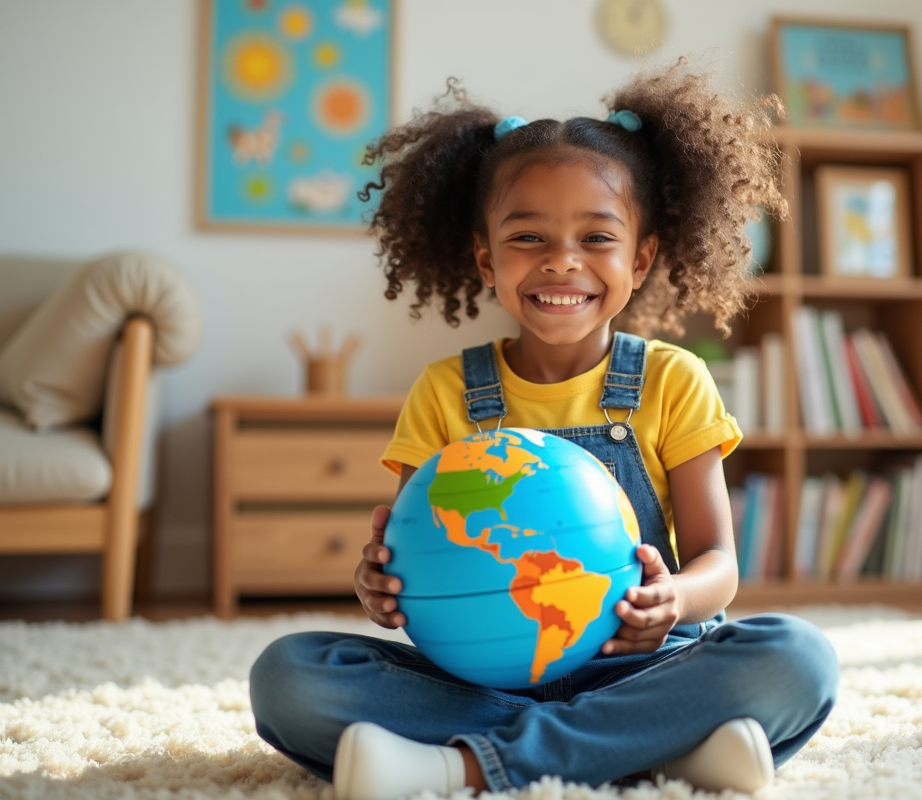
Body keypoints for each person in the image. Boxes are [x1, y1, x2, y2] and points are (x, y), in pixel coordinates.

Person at [249, 58, 839, 800]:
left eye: (598, 238)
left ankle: (460, 767)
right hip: (475, 672)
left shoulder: (673, 381)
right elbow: (416, 566)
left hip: (644, 663)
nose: (563, 261)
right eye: (527, 237)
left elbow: (718, 561)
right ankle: (657, 751)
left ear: (642, 257)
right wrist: (379, 587)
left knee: (796, 657)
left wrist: (675, 603)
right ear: (485, 257)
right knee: (289, 675)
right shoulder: (443, 393)